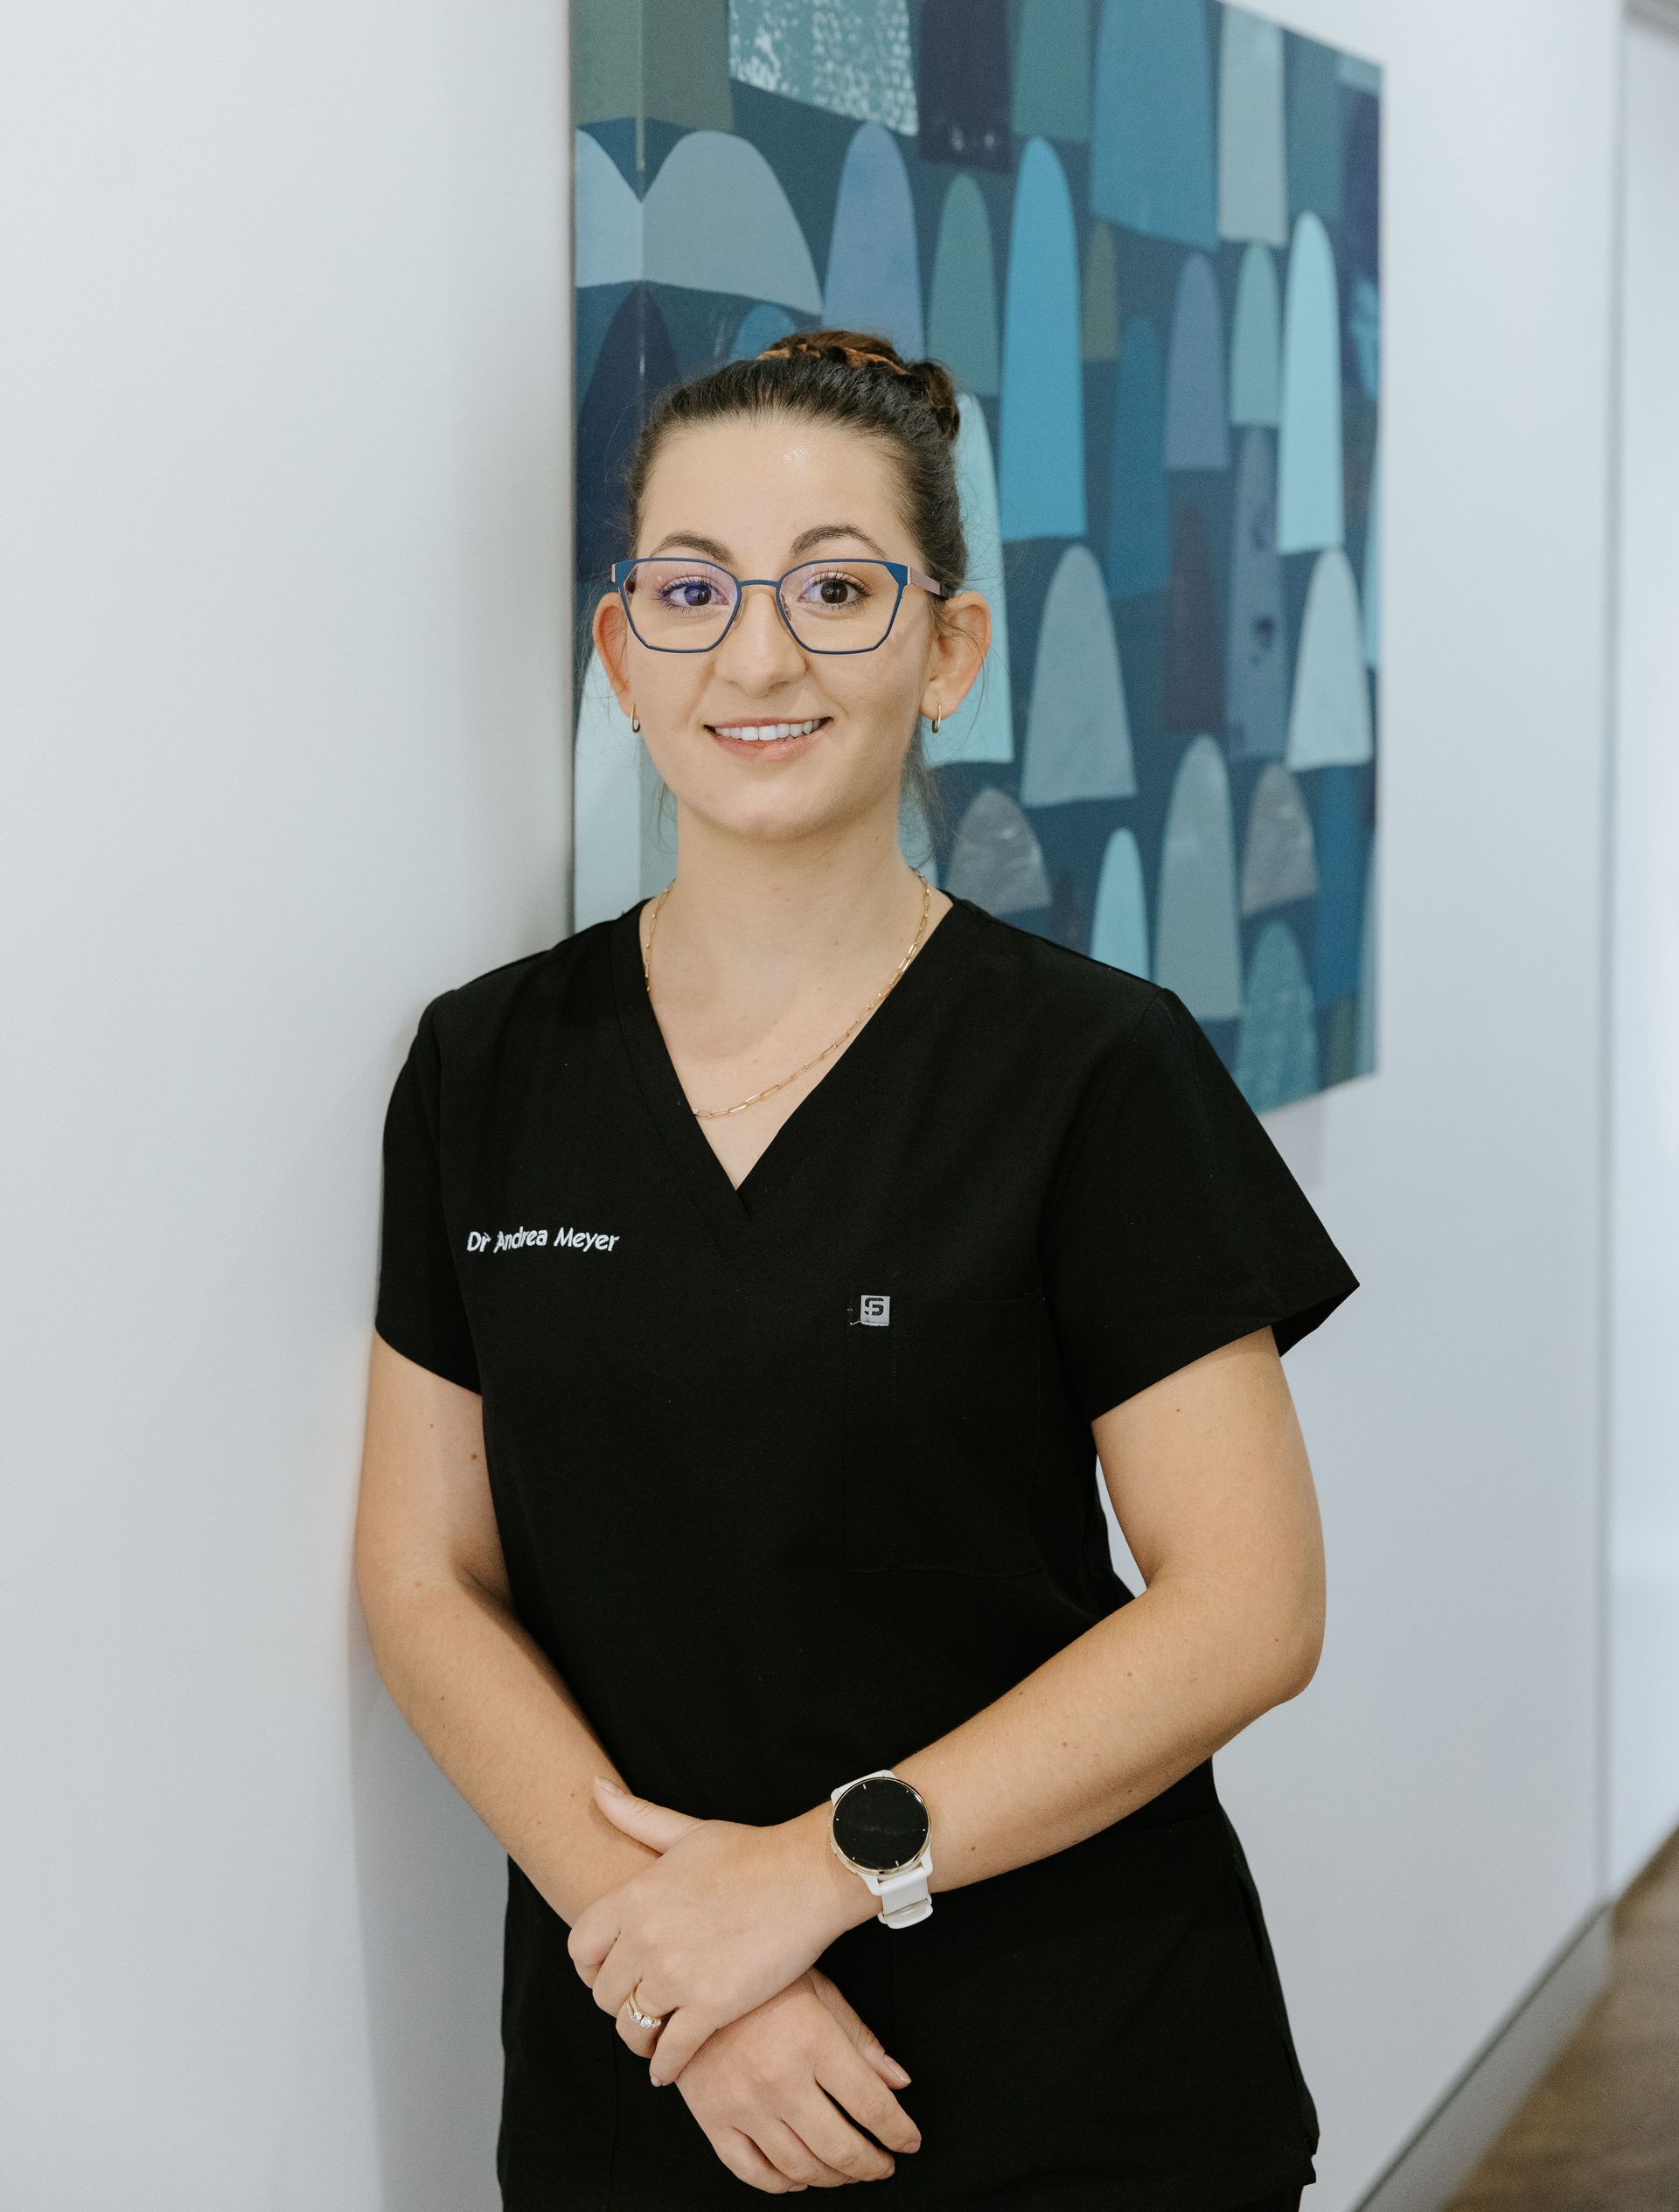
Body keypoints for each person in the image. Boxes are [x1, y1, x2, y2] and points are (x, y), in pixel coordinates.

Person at [354, 326, 1360, 2210]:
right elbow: (424, 1573)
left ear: (948, 651)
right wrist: (684, 1955)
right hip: (657, 2063)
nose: (754, 656)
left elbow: (1247, 1605)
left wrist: (814, 1873)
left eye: (836, 591)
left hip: (1071, 2069)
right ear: (617, 648)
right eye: (691, 591)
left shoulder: (1091, 1068)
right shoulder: (486, 1070)